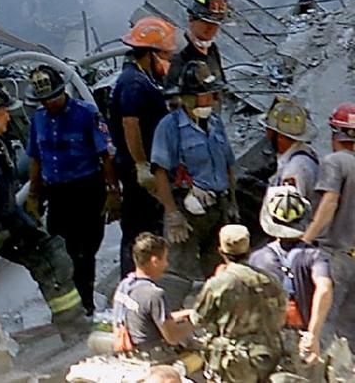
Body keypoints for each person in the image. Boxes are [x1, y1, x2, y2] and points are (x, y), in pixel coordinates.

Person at [0, 80, 85, 357]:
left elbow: (4, 190)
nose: (8, 115)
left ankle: (74, 328)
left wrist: (24, 218)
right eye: (3, 111)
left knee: (51, 257)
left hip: (9, 222)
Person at [24, 64, 119, 314]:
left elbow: (106, 154)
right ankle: (67, 309)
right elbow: (35, 158)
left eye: (52, 97)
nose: (49, 103)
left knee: (84, 253)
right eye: (44, 100)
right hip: (57, 193)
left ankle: (85, 305)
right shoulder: (39, 119)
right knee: (59, 252)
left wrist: (113, 191)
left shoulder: (87, 114)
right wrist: (34, 195)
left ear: (63, 90)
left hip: (87, 190)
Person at [149, 61, 237, 308]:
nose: (211, 99)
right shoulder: (170, 128)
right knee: (177, 274)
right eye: (205, 95)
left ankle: (221, 325)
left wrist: (231, 201)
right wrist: (172, 213)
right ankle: (166, 329)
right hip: (186, 213)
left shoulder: (216, 123)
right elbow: (160, 173)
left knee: (219, 272)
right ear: (188, 98)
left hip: (216, 209)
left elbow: (229, 164)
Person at [110, 16, 177, 276]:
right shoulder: (133, 84)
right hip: (138, 168)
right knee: (140, 229)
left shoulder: (143, 79)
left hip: (147, 165)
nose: (167, 59)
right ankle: (134, 282)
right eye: (164, 54)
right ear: (149, 53)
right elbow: (130, 124)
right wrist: (141, 165)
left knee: (149, 227)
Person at [250, 185, 333, 367]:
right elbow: (324, 288)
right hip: (302, 340)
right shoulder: (315, 256)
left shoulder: (257, 258)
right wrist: (313, 334)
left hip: (267, 340)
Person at [192, 224, 287, 383]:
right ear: (249, 251)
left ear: (221, 252)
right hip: (270, 354)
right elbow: (281, 317)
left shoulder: (218, 283)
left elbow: (198, 319)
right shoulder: (271, 280)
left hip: (236, 362)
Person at [300, 103, 355, 344]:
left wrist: (305, 239)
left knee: (324, 321)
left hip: (335, 254)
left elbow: (330, 202)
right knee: (349, 327)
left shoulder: (335, 162)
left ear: (336, 133)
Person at [111, 233, 194, 362]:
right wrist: (196, 322)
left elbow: (146, 316)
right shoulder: (155, 294)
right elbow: (172, 337)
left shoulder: (124, 286)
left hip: (128, 354)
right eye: (165, 259)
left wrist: (186, 313)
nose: (166, 264)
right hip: (153, 358)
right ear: (154, 261)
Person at [165, 0, 228, 90]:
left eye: (215, 24)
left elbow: (220, 83)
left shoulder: (212, 50)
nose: (211, 28)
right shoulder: (179, 54)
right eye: (205, 22)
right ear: (191, 19)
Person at [262, 97, 321, 198]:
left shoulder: (292, 170)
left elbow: (288, 210)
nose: (266, 135)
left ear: (279, 137)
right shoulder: (305, 154)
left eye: (269, 131)